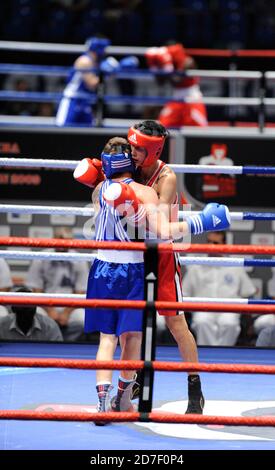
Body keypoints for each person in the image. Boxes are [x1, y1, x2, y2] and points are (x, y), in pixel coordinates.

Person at [74, 132, 230, 418]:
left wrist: (109, 188)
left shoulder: (165, 178)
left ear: (153, 151)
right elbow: (118, 201)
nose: (133, 153)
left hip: (160, 253)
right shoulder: (126, 174)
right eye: (131, 148)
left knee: (174, 323)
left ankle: (194, 387)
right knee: (127, 332)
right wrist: (103, 179)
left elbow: (158, 226)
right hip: (132, 258)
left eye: (138, 149)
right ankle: (127, 387)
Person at [182, 231, 257, 346]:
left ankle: (222, 358)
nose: (211, 246)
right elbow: (184, 293)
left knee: (230, 323)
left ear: (224, 244)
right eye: (209, 242)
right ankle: (208, 357)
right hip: (202, 310)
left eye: (215, 243)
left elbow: (248, 292)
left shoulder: (234, 265)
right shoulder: (196, 266)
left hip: (229, 310)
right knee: (202, 321)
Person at [26, 227, 89, 341]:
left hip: (71, 306)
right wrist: (50, 310)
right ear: (53, 239)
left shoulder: (79, 259)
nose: (63, 243)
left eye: (66, 240)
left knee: (82, 320)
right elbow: (36, 290)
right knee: (36, 318)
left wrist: (66, 312)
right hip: (45, 305)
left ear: (71, 241)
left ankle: (68, 345)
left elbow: (80, 291)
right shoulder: (41, 258)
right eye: (60, 239)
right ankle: (46, 346)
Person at [145, 42, 208, 128]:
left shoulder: (188, 62)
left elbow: (178, 80)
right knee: (162, 127)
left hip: (192, 100)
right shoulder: (170, 62)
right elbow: (161, 82)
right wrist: (155, 67)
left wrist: (167, 67)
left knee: (201, 131)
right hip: (176, 99)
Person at [55, 36, 110, 127]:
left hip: (85, 101)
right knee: (63, 130)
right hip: (72, 100)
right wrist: (107, 73)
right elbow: (92, 83)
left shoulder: (96, 62)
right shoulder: (85, 61)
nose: (105, 52)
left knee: (87, 132)